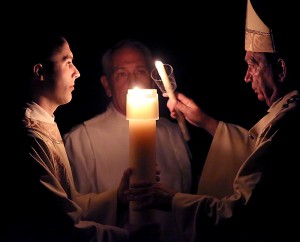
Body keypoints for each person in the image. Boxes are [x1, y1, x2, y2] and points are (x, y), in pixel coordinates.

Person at [126, 0, 300, 241]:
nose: (246, 77)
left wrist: (172, 200)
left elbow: (239, 213)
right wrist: (206, 122)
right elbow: (253, 149)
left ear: (280, 69)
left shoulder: (286, 123)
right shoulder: (284, 113)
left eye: (253, 63)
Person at [4, 31, 160, 242]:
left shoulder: (45, 123)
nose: (76, 72)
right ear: (40, 71)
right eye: (67, 62)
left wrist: (118, 198)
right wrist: (130, 237)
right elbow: (60, 227)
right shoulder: (29, 137)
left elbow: (69, 202)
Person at [63, 39, 192, 242]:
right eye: (121, 73)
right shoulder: (80, 140)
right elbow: (74, 213)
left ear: (151, 79)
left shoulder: (171, 132)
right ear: (107, 85)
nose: (133, 80)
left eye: (140, 71)